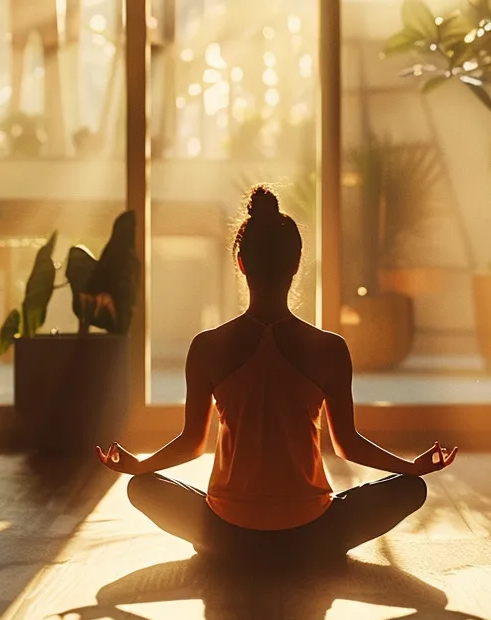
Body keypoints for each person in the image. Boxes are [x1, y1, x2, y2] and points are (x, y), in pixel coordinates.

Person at [94, 185, 458, 558]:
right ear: (296, 264)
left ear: (240, 263)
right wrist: (410, 468)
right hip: (315, 533)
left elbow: (191, 443)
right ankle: (295, 548)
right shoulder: (329, 348)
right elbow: (347, 444)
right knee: (411, 488)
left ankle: (228, 545)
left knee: (141, 487)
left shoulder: (207, 346)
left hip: (226, 533)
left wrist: (140, 465)